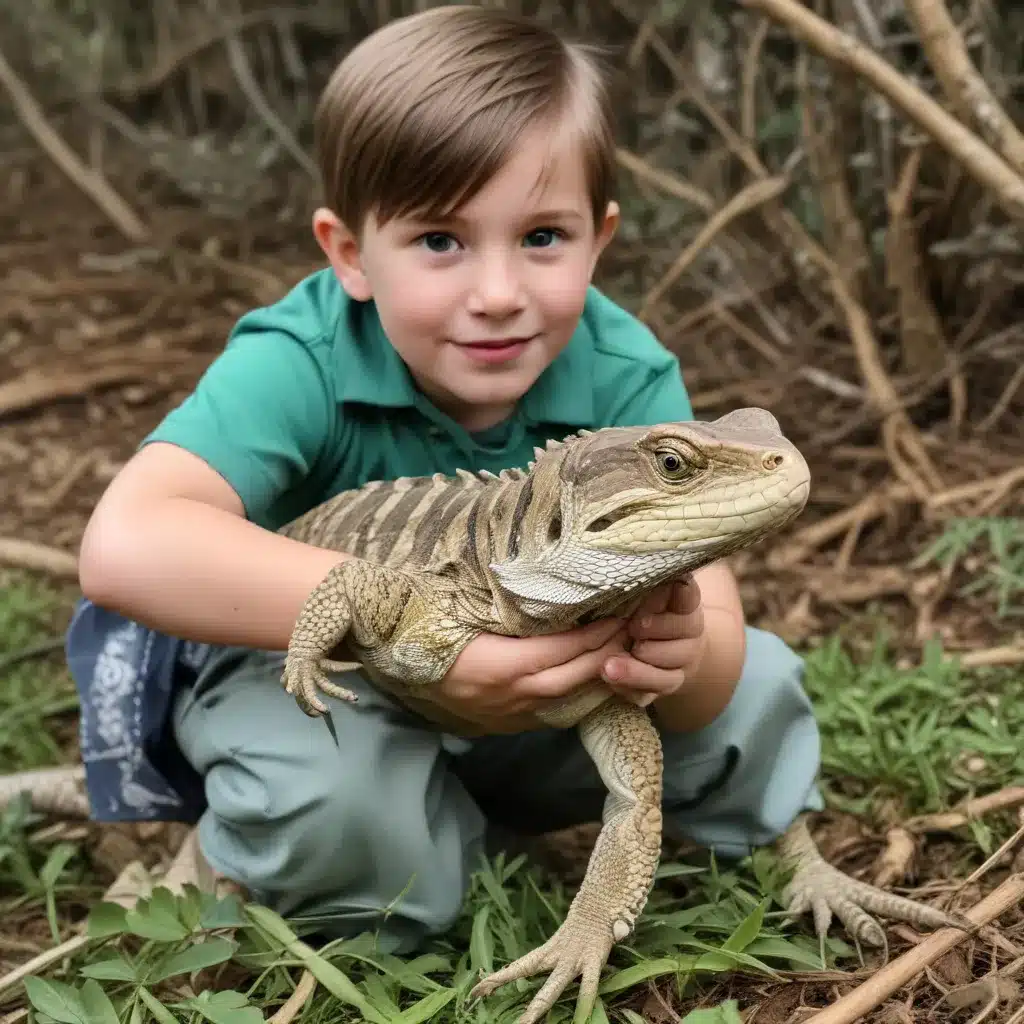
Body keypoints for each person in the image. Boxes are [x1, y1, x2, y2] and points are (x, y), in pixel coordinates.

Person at [67, 5, 822, 952]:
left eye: (543, 236)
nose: (498, 291)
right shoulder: (300, 356)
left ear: (601, 237)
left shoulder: (631, 382)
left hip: (553, 683)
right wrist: (427, 643)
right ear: (349, 253)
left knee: (753, 681)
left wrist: (680, 656)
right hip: (335, 684)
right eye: (439, 241)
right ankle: (220, 854)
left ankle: (782, 852)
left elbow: (710, 681)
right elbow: (125, 545)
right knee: (354, 839)